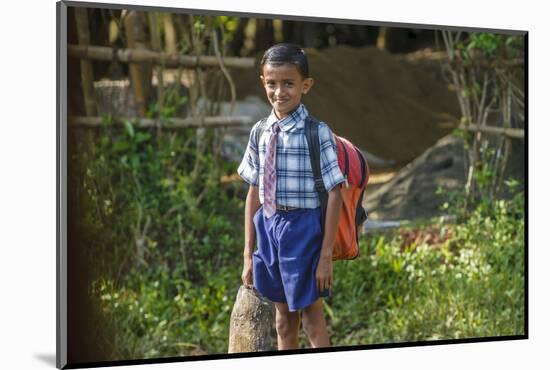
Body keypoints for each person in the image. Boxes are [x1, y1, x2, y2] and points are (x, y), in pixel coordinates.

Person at [237, 43, 345, 350]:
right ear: (263, 82)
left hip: (304, 230)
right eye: (272, 83)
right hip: (269, 229)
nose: (279, 91)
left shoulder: (316, 132)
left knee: (312, 319)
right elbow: (253, 191)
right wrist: (248, 253)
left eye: (289, 83)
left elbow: (336, 192)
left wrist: (325, 257)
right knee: (282, 320)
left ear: (306, 85)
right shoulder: (259, 132)